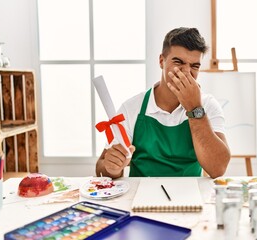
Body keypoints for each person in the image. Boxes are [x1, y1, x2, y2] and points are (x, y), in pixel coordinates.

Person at [96, 27, 231, 179]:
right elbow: (101, 168)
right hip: (141, 197)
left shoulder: (208, 105)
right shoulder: (131, 108)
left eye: (194, 66)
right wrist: (112, 168)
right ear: (162, 61)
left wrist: (194, 109)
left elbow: (217, 168)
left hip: (190, 197)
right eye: (178, 62)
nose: (186, 72)